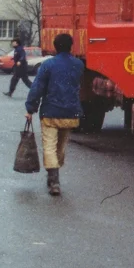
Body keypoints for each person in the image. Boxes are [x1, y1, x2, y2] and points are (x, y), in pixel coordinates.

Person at [24, 33, 84, 196]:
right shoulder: (78, 65)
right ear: (71, 46)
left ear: (55, 46)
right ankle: (54, 175)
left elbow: (38, 88)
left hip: (51, 112)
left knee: (49, 146)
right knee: (61, 146)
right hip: (71, 113)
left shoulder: (48, 65)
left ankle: (54, 180)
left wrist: (30, 108)